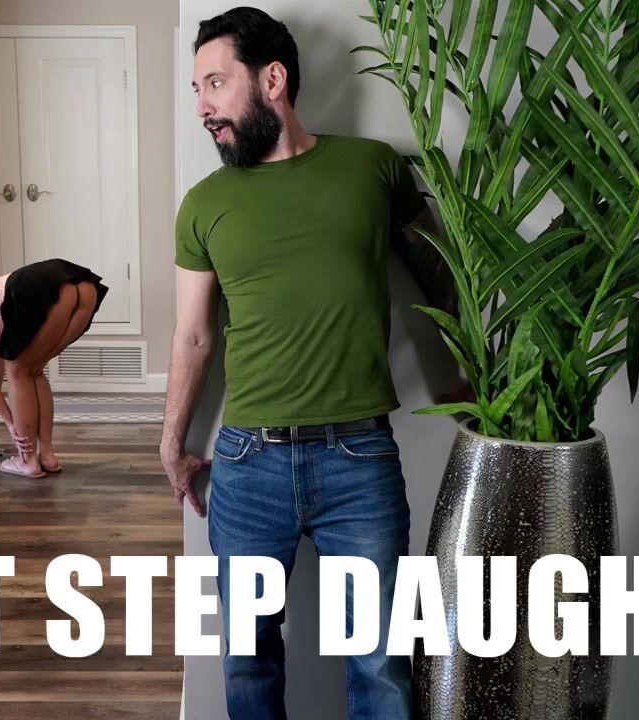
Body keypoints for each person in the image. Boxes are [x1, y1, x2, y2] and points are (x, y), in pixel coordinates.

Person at [160, 7, 429, 719]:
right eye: (196, 89)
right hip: (247, 465)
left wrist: (472, 381)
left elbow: (438, 279)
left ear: (272, 79)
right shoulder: (204, 204)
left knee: (381, 663)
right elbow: (194, 336)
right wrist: (173, 443)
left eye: (216, 83)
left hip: (359, 458)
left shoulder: (373, 168)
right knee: (248, 660)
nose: (202, 107)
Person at [0, 258, 108, 478]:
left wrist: (10, 424)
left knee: (19, 372)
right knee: (33, 371)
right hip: (84, 287)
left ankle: (27, 461)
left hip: (42, 286)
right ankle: (46, 455)